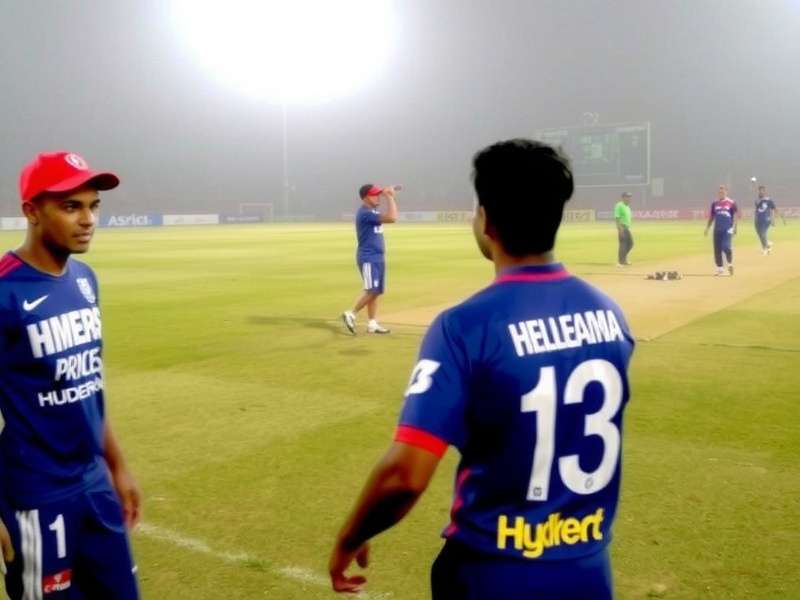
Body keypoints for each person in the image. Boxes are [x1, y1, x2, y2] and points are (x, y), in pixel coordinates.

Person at [329, 139, 635, 599]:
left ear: (485, 219)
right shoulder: (610, 314)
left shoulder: (464, 326)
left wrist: (350, 536)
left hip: (492, 572)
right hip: (589, 572)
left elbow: (405, 476)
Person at [0, 151, 141, 599]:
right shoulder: (4, 290)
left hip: (94, 483)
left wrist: (117, 466)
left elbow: (88, 384)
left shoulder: (84, 279)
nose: (88, 219)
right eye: (70, 206)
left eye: (93, 206)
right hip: (36, 494)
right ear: (31, 211)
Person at [341, 184, 399, 335]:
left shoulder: (372, 210)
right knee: (372, 290)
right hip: (368, 257)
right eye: (374, 194)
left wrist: (388, 194)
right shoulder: (365, 213)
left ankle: (372, 323)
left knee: (376, 291)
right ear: (366, 197)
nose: (377, 196)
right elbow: (392, 217)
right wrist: (389, 196)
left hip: (377, 257)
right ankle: (351, 314)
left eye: (378, 194)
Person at [704, 185, 739, 276]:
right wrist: (707, 228)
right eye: (720, 192)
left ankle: (730, 264)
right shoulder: (714, 203)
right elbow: (712, 217)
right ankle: (720, 269)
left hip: (727, 229)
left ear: (726, 192)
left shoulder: (731, 202)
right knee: (717, 250)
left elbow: (735, 215)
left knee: (726, 247)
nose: (721, 193)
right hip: (717, 229)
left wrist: (735, 227)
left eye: (723, 192)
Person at [754, 185, 777, 255]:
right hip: (758, 220)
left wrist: (773, 219)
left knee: (763, 233)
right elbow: (757, 210)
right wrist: (755, 218)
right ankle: (768, 244)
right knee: (760, 235)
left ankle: (764, 249)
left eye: (762, 190)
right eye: (759, 190)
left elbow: (773, 209)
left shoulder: (769, 200)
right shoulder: (757, 200)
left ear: (765, 191)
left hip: (766, 219)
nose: (761, 192)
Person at [614, 192, 633, 266]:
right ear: (623, 197)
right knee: (623, 244)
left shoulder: (627, 207)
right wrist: (619, 228)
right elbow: (617, 217)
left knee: (630, 244)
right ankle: (621, 261)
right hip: (622, 227)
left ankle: (623, 259)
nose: (629, 198)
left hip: (627, 228)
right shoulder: (619, 205)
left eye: (630, 197)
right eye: (627, 197)